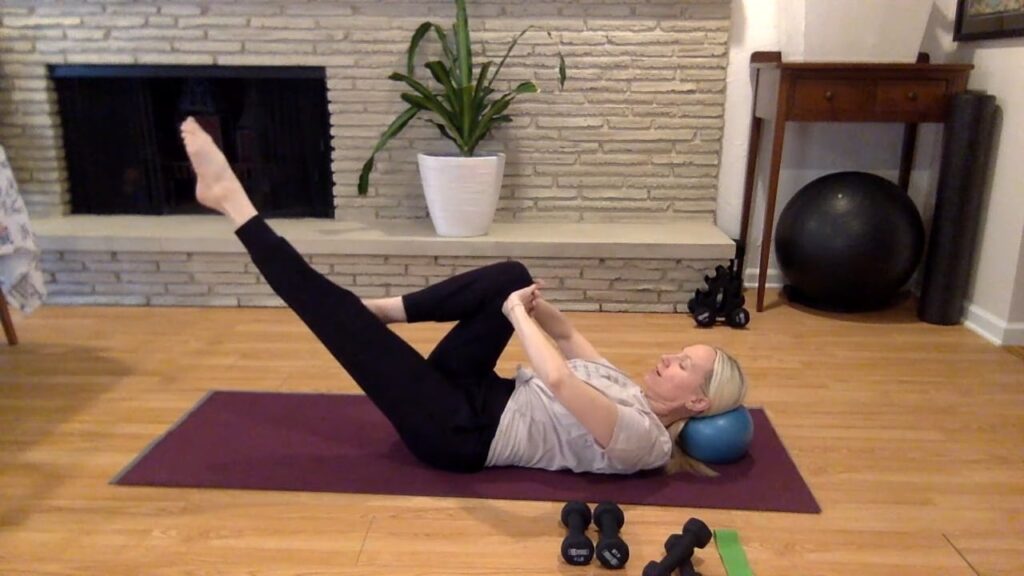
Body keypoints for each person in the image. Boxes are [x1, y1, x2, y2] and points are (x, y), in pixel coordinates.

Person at [180, 117, 748, 475]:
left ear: (696, 403)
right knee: (511, 272)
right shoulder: (629, 388)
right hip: (479, 391)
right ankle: (386, 311)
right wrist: (530, 301)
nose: (668, 359)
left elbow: (558, 380)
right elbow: (570, 339)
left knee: (338, 323)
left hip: (460, 433)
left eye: (683, 366)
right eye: (680, 353)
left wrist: (515, 317)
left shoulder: (645, 442)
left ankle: (234, 205)